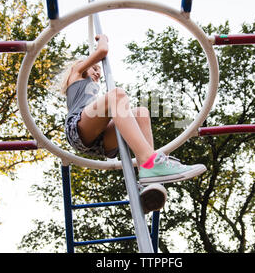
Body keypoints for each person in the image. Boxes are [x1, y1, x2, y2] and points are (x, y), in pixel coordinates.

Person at [61, 34, 206, 212]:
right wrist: (103, 39)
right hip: (78, 128)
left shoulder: (93, 91)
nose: (98, 72)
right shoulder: (76, 74)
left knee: (141, 113)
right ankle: (150, 162)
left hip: (100, 140)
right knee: (117, 95)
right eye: (94, 68)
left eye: (99, 69)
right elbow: (103, 51)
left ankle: (149, 179)